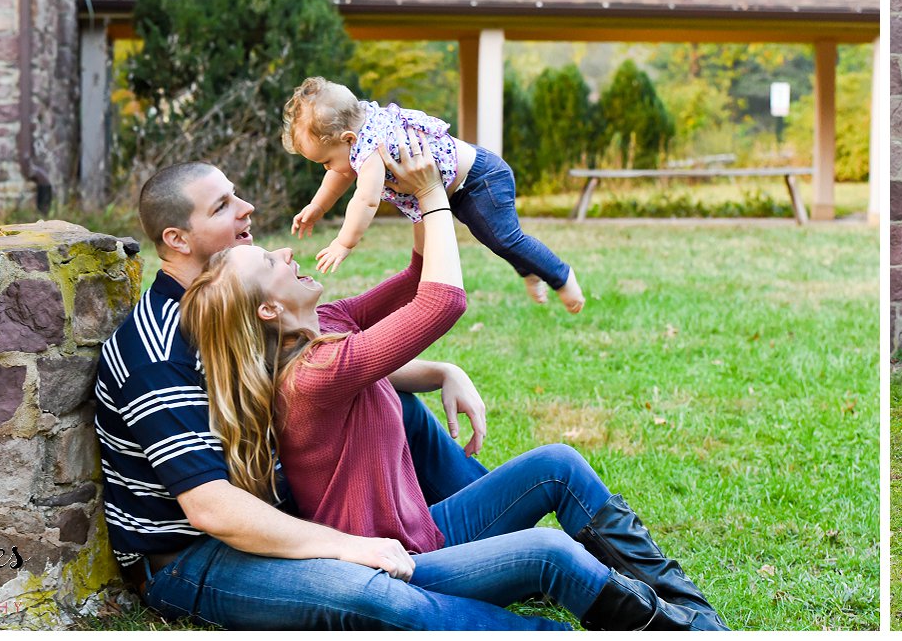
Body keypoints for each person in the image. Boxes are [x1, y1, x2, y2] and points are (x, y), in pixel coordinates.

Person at [182, 127, 725, 631]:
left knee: (557, 463)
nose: (284, 251)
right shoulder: (313, 375)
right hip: (400, 565)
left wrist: (413, 186)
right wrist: (436, 196)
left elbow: (417, 277)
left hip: (423, 530)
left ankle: (694, 613)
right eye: (270, 264)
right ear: (269, 311)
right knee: (549, 552)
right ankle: (677, 634)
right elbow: (442, 301)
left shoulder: (327, 325)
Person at [94, 159, 568, 630]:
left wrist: (439, 370)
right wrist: (348, 548)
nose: (247, 208)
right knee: (379, 595)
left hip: (285, 514)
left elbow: (320, 369)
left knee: (395, 403)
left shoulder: (236, 304)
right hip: (194, 556)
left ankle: (490, 546)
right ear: (176, 239)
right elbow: (212, 509)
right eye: (222, 206)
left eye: (236, 194)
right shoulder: (157, 352)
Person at [281, 76, 585, 313]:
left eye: (325, 160)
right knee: (489, 240)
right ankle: (529, 269)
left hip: (481, 179)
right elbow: (339, 173)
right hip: (453, 190)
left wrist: (343, 242)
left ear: (348, 139)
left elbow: (366, 199)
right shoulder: (359, 131)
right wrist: (318, 206)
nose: (327, 169)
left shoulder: (370, 146)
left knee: (505, 238)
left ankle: (561, 276)